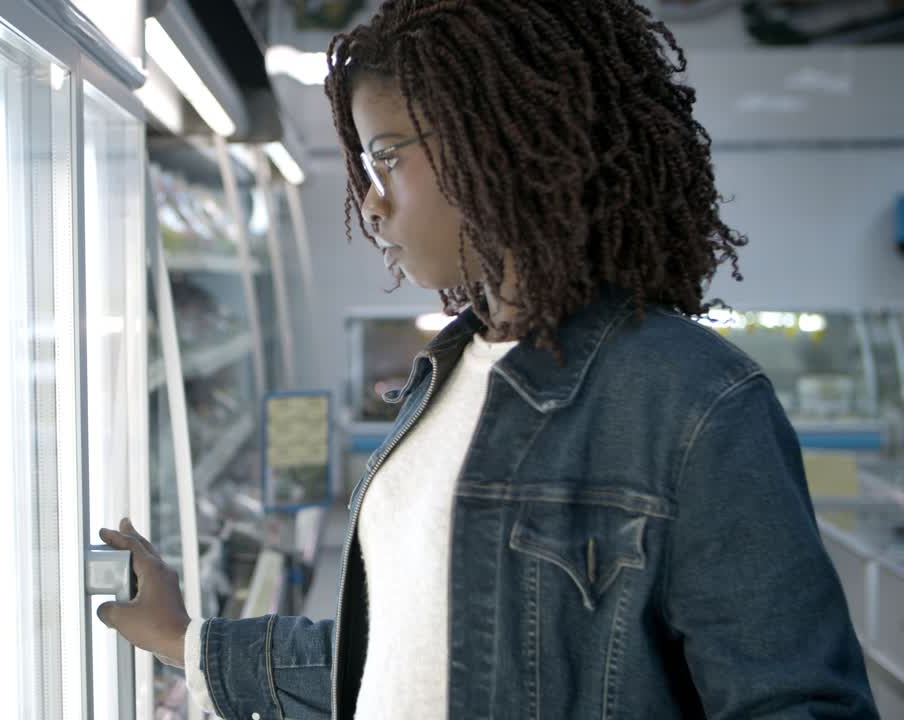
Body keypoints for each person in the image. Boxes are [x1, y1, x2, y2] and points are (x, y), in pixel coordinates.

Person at [99, 0, 880, 717]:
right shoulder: (443, 378)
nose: (371, 202)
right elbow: (407, 656)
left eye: (386, 157)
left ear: (495, 141)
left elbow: (797, 700)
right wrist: (186, 639)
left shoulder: (696, 401)